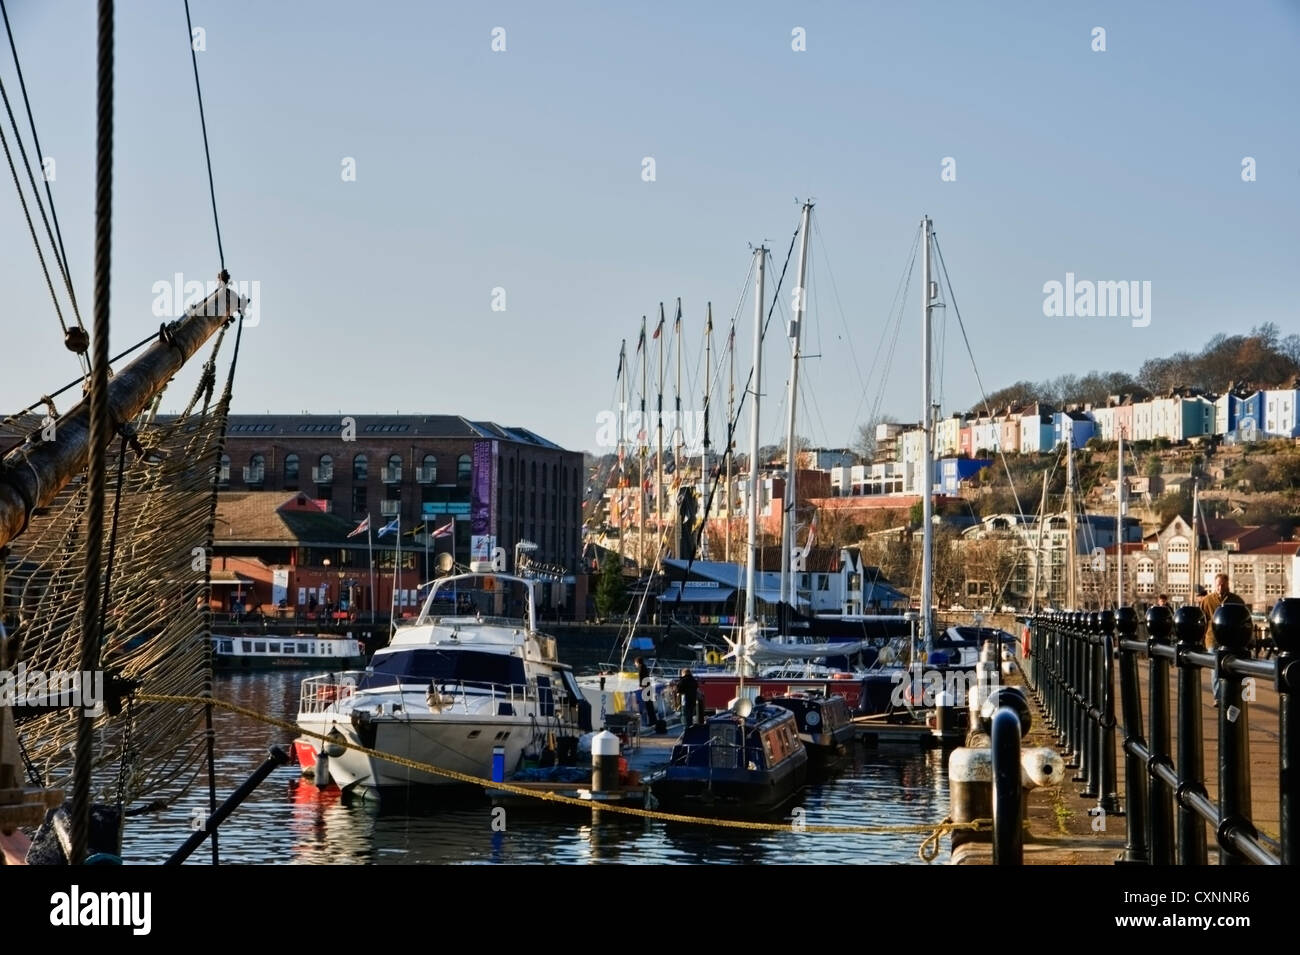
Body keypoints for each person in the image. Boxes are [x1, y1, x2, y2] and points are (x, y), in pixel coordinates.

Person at [1199, 573, 1244, 706]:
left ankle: (1230, 694)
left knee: (1231, 667)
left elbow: (1243, 619)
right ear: (1214, 585)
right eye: (1218, 584)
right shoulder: (1207, 601)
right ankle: (1218, 697)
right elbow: (1202, 620)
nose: (1220, 587)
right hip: (1212, 638)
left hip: (1230, 639)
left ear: (1227, 584)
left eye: (1222, 584)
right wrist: (1201, 640)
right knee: (1216, 668)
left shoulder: (1236, 600)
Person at [635, 657, 657, 732]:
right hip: (648, 687)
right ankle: (653, 720)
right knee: (649, 705)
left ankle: (652, 721)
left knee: (648, 705)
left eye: (635, 663)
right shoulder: (645, 667)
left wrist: (642, 687)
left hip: (646, 688)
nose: (635, 665)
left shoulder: (641, 669)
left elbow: (642, 679)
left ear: (637, 662)